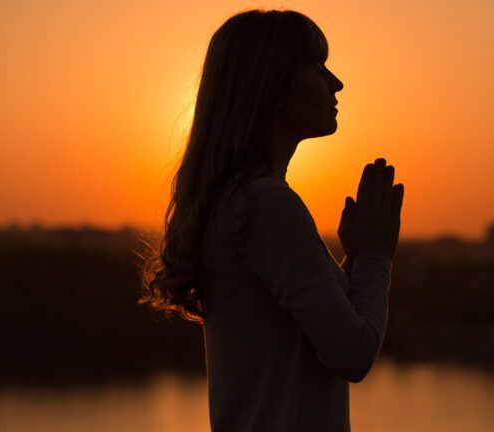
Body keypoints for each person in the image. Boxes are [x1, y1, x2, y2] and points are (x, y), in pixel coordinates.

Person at [138, 9, 404, 432]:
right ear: (274, 87)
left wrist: (353, 263)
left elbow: (299, 330)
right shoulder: (265, 205)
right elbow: (352, 353)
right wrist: (375, 256)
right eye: (317, 68)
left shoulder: (234, 200)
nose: (336, 83)